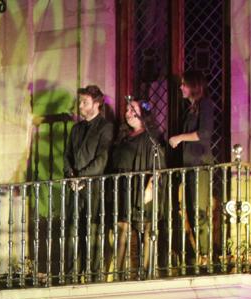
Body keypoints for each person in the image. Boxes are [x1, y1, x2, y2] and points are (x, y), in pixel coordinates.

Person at [108, 98, 164, 278]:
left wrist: (150, 189)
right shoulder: (123, 138)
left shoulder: (150, 138)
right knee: (121, 230)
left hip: (143, 188)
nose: (128, 113)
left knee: (147, 229)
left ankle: (147, 273)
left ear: (143, 114)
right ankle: (117, 274)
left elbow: (158, 166)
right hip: (124, 189)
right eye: (127, 110)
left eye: (133, 110)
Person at [168, 69, 216, 270]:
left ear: (193, 86)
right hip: (189, 166)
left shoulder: (205, 104)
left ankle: (206, 254)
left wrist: (180, 137)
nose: (181, 87)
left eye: (184, 84)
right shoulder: (190, 109)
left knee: (199, 210)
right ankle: (200, 253)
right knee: (190, 209)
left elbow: (204, 133)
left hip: (200, 165)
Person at [65, 85, 114, 278]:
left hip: (95, 187)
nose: (80, 106)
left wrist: (82, 177)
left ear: (97, 104)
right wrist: (71, 177)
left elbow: (102, 159)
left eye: (84, 102)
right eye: (80, 102)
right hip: (75, 187)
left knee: (93, 229)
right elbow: (67, 156)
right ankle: (71, 273)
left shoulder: (105, 127)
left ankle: (94, 273)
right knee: (73, 229)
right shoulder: (76, 129)